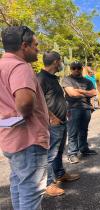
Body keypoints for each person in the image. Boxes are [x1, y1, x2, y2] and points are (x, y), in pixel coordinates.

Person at [0, 26, 49, 210]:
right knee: (31, 191)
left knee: (18, 185)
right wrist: (22, 113)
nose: (38, 49)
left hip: (9, 138)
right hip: (28, 139)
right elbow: (25, 103)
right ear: (24, 45)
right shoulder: (21, 66)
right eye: (35, 45)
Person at [37, 52, 80, 197]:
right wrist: (51, 117)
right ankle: (49, 184)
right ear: (56, 62)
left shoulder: (53, 78)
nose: (62, 64)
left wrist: (64, 111)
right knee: (50, 154)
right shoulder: (41, 78)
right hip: (53, 124)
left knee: (59, 152)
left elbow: (54, 98)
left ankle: (60, 174)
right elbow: (38, 101)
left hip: (61, 121)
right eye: (60, 61)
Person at [62, 61, 98, 164]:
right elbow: (72, 94)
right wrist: (87, 93)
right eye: (74, 68)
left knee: (84, 130)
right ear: (71, 69)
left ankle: (84, 149)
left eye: (78, 68)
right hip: (73, 108)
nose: (76, 70)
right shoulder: (67, 79)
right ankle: (72, 153)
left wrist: (81, 91)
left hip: (86, 108)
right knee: (73, 132)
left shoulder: (87, 81)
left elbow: (94, 92)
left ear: (82, 69)